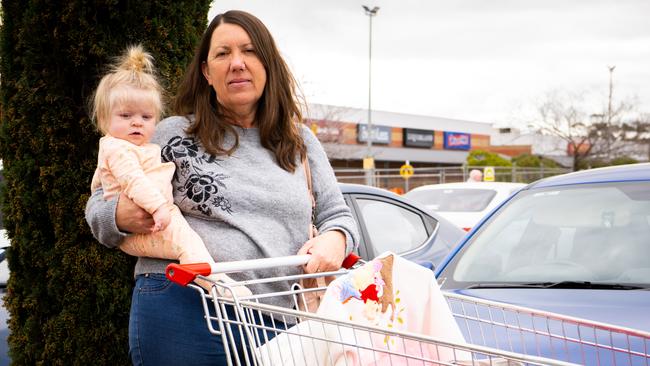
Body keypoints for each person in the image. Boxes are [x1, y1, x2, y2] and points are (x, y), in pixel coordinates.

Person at [85, 10, 359, 366]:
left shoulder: (299, 142)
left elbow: (338, 216)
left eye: (249, 51)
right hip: (184, 308)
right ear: (206, 72)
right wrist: (117, 215)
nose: (237, 63)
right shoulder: (170, 133)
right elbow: (99, 203)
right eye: (222, 54)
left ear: (268, 64)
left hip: (279, 323)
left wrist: (335, 238)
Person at [89, 45, 249, 296]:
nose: (136, 122)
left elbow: (102, 179)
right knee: (186, 243)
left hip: (159, 217)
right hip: (150, 224)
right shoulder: (118, 148)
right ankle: (218, 287)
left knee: (187, 242)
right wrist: (157, 208)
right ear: (104, 119)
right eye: (125, 115)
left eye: (146, 117)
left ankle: (215, 281)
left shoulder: (142, 145)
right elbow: (130, 182)